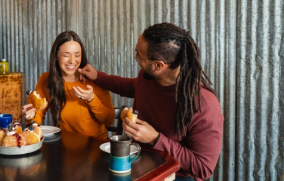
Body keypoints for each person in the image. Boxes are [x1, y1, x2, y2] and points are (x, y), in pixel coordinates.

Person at [78, 22, 224, 181]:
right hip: (139, 162)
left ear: (158, 65)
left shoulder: (204, 104)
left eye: (138, 55)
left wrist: (155, 139)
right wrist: (98, 76)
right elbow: (129, 86)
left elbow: (203, 168)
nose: (136, 58)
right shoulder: (146, 79)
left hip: (177, 175)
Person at [21, 31, 115, 139]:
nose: (72, 60)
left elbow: (109, 120)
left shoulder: (94, 79)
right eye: (66, 55)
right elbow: (37, 118)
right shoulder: (46, 79)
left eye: (77, 55)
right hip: (63, 146)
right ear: (56, 56)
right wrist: (30, 117)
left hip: (95, 146)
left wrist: (91, 99)